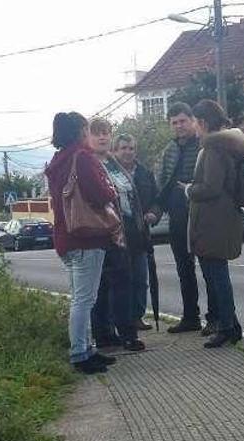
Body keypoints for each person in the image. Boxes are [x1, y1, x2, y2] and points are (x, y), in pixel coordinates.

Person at [45, 112, 118, 374]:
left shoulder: (57, 160)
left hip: (66, 237)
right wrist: (112, 192)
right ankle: (80, 353)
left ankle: (87, 348)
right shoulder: (82, 157)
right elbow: (99, 194)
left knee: (80, 297)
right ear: (80, 132)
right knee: (84, 300)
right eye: (87, 129)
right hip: (87, 236)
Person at [182, 99, 244, 348]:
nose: (193, 128)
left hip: (213, 221)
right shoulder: (231, 145)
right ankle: (231, 325)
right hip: (224, 218)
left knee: (216, 277)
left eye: (193, 122)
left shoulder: (213, 148)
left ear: (201, 122)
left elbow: (211, 187)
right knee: (218, 275)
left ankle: (227, 327)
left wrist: (190, 189)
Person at [154, 102, 218, 336]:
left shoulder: (204, 145)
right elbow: (163, 183)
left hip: (201, 215)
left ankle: (215, 318)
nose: (179, 126)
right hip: (177, 218)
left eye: (183, 120)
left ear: (193, 120)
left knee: (209, 268)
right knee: (184, 268)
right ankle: (191, 316)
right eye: (174, 122)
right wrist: (156, 210)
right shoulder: (169, 149)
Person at [88, 118, 145, 352]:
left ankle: (125, 332)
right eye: (97, 133)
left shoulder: (113, 162)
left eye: (106, 133)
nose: (102, 137)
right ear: (88, 137)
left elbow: (131, 194)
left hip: (126, 228)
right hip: (102, 231)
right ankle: (105, 334)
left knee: (124, 283)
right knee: (102, 286)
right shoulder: (88, 163)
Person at [113, 133, 158, 331]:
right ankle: (119, 321)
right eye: (123, 148)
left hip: (140, 233)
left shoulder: (145, 173)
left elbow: (157, 199)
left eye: (131, 148)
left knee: (140, 278)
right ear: (115, 150)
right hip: (117, 234)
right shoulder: (109, 173)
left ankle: (137, 317)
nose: (127, 152)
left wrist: (153, 213)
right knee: (120, 279)